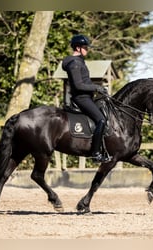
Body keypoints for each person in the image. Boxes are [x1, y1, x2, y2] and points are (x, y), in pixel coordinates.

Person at [62, 34, 110, 163]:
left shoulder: (79, 62)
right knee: (101, 120)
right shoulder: (74, 63)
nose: (87, 50)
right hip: (81, 98)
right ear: (77, 48)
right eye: (85, 47)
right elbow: (78, 85)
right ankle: (95, 153)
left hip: (87, 97)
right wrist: (96, 88)